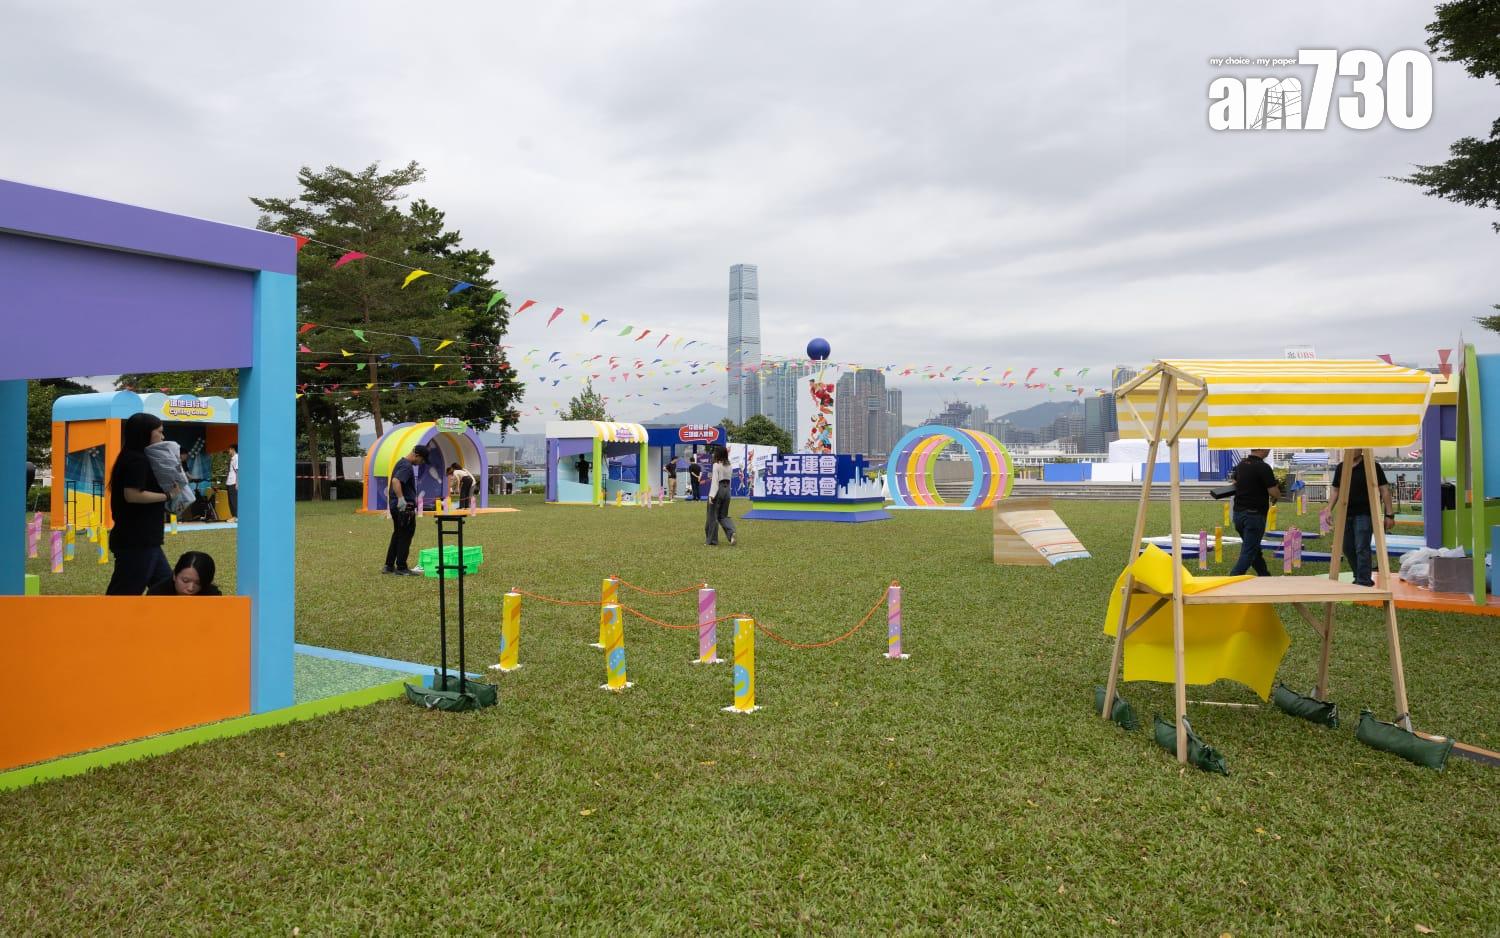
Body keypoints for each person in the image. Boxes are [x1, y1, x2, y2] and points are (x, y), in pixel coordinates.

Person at [106, 412, 172, 595]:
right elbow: (132, 495)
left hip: (144, 540)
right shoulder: (137, 460)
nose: (163, 436)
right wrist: (167, 496)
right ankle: (107, 622)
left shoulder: (133, 457)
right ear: (145, 433)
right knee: (124, 594)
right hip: (137, 540)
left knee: (167, 588)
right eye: (159, 432)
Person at [1331, 451, 1394, 587]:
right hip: (1345, 513)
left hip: (1365, 513)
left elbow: (1384, 490)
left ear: (1361, 448)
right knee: (1347, 547)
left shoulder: (1372, 466)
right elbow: (1336, 490)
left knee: (1361, 547)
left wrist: (1389, 514)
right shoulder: (1341, 467)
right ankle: (1359, 575)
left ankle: (1364, 581)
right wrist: (1328, 509)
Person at [1228, 448, 1281, 576]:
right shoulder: (1263, 467)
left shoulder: (1241, 464)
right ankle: (1231, 580)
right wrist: (1277, 493)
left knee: (1254, 549)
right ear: (1262, 448)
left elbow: (1235, 483)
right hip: (1254, 515)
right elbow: (1273, 492)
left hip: (1238, 514)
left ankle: (1265, 576)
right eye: (1268, 447)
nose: (1269, 450)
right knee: (1249, 551)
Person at [383, 444, 427, 576]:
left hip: (396, 506)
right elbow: (396, 481)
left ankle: (389, 566)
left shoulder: (401, 463)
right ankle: (401, 567)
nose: (422, 463)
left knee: (397, 533)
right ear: (417, 455)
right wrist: (402, 500)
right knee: (405, 535)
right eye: (422, 460)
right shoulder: (407, 466)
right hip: (404, 507)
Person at [146, 551, 222, 596]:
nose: (190, 588)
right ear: (174, 576)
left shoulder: (212, 596)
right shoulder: (156, 595)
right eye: (185, 581)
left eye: (198, 583)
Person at [705, 447, 737, 546]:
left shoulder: (716, 465)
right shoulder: (729, 465)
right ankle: (731, 533)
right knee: (723, 516)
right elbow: (729, 481)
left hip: (718, 490)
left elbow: (715, 481)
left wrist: (711, 495)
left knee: (712, 516)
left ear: (717, 454)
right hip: (727, 490)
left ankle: (712, 541)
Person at [225, 444, 238, 520]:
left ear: (233, 449)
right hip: (229, 482)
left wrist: (237, 483)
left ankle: (236, 516)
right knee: (230, 500)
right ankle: (233, 516)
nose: (228, 451)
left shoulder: (236, 457)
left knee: (234, 500)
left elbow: (237, 471)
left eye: (229, 449)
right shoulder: (232, 458)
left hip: (233, 482)